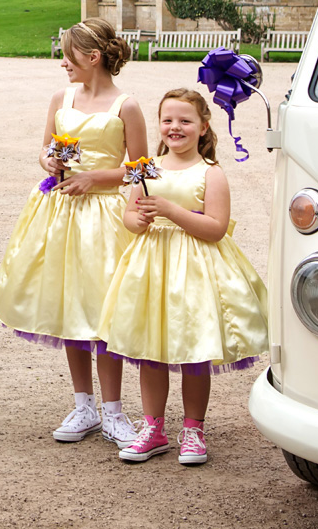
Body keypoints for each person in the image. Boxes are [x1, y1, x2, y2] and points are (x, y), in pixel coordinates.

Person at [0, 19, 148, 449]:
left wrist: (95, 178)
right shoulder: (62, 98)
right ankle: (84, 405)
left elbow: (142, 169)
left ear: (92, 58)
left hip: (105, 217)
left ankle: (114, 411)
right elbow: (46, 148)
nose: (63, 63)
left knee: (102, 310)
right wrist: (49, 162)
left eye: (69, 55)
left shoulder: (125, 106)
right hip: (62, 213)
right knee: (70, 305)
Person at [97, 88, 269, 465]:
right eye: (168, 120)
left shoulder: (211, 173)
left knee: (194, 351)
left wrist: (171, 211)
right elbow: (130, 215)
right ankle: (153, 428)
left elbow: (216, 228)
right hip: (151, 269)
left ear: (204, 127)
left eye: (185, 121)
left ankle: (193, 429)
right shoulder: (146, 167)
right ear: (159, 126)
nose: (175, 127)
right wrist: (137, 220)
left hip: (194, 269)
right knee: (150, 351)